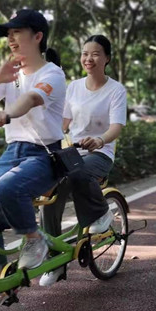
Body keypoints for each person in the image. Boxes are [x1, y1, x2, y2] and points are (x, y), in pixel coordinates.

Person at [0, 9, 66, 311]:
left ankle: (35, 239)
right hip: (11, 154)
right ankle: (1, 280)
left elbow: (31, 100)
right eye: (7, 34)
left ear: (37, 37)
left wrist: (6, 113)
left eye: (16, 32)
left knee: (9, 187)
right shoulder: (12, 75)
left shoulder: (52, 73)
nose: (10, 39)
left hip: (43, 154)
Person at [39, 35, 127, 286]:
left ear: (107, 58)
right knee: (48, 191)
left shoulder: (116, 90)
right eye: (85, 53)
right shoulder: (74, 87)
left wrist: (100, 141)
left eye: (96, 53)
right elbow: (64, 123)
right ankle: (55, 259)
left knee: (78, 173)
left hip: (99, 154)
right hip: (72, 152)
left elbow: (116, 127)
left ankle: (100, 214)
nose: (89, 58)